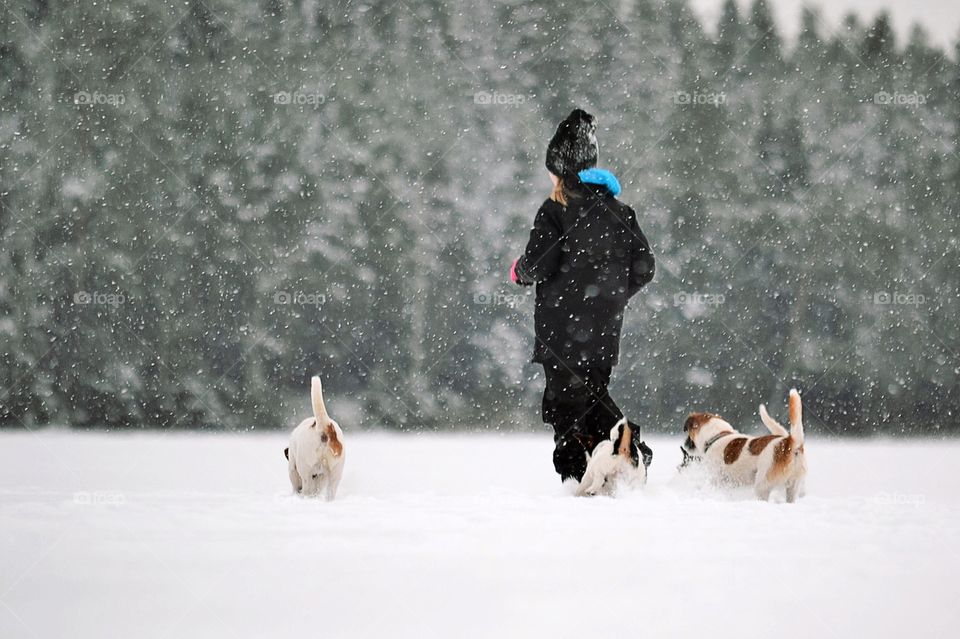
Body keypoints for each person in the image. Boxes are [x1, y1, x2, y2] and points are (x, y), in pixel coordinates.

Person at [510, 108, 655, 483]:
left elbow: (540, 263)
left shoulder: (556, 211)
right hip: (604, 330)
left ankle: (596, 468)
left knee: (566, 408)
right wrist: (612, 298)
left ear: (561, 169)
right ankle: (615, 467)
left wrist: (519, 272)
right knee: (590, 396)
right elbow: (645, 266)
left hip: (562, 329)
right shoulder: (620, 211)